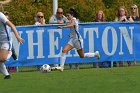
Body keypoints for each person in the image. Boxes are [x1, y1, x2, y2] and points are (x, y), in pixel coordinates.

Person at [0, 12, 24, 79]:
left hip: (6, 41)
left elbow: (12, 25)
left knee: (2, 59)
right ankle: (7, 75)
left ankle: (10, 52)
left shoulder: (1, 15)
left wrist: (17, 36)